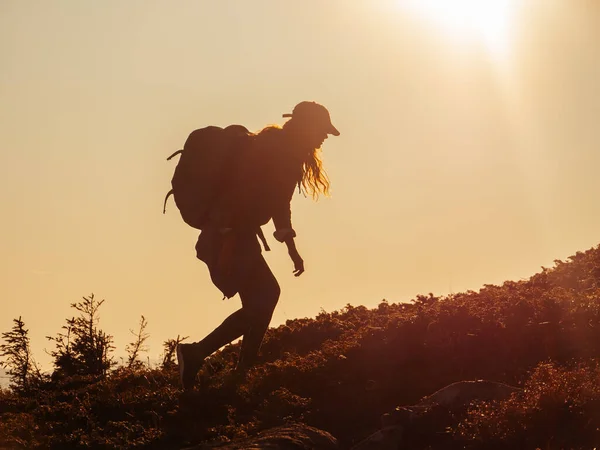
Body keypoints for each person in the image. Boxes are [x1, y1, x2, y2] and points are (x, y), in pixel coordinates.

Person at [176, 101, 340, 390]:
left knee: (263, 298)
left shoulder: (278, 146)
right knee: (265, 297)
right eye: (322, 130)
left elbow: (275, 201)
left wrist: (289, 248)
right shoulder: (282, 152)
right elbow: (278, 203)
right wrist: (289, 248)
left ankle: (241, 369)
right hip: (229, 235)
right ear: (306, 126)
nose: (324, 137)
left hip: (233, 232)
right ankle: (199, 354)